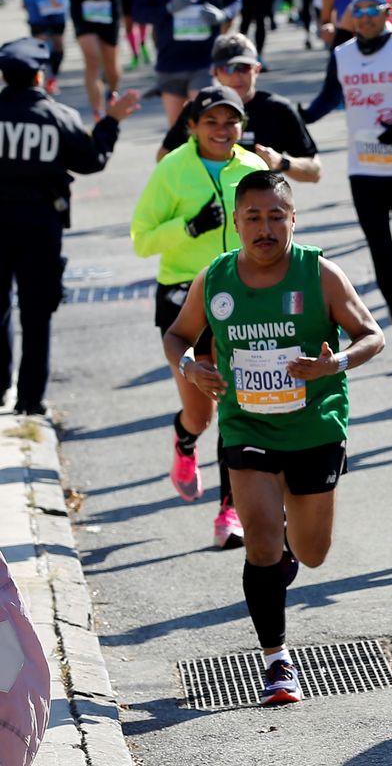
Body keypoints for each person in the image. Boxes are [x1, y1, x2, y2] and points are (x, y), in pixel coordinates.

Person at [162, 171, 385, 706]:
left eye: (276, 216)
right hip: (248, 424)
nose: (265, 228)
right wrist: (191, 367)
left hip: (314, 426)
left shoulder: (319, 273)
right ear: (236, 222)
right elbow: (177, 335)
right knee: (260, 543)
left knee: (312, 553)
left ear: (293, 219)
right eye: (254, 218)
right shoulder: (215, 279)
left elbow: (371, 335)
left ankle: (291, 539)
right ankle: (277, 662)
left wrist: (337, 363)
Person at [131, 85, 268, 548]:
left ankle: (231, 511)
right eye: (211, 121)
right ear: (191, 126)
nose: (222, 130)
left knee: (236, 406)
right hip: (183, 297)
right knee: (201, 413)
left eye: (231, 122)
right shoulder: (171, 170)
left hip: (244, 299)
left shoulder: (253, 167)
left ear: (242, 127)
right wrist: (189, 227)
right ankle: (185, 441)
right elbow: (141, 240)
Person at [301, 0, 392, 369]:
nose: (362, 19)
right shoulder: (343, 55)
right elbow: (330, 96)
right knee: (382, 256)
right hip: (363, 172)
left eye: (370, 11)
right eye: (355, 12)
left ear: (386, 12)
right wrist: (301, 117)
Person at [0, 38, 140, 415]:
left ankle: (0, 388)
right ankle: (30, 400)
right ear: (39, 75)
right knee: (36, 311)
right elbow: (91, 159)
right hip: (40, 225)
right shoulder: (57, 116)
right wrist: (111, 121)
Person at [158, 35, 321, 182]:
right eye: (227, 68)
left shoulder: (278, 109)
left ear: (257, 69)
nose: (236, 75)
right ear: (215, 72)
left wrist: (282, 162)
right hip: (209, 206)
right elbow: (163, 157)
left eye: (243, 67)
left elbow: (315, 171)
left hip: (260, 209)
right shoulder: (198, 108)